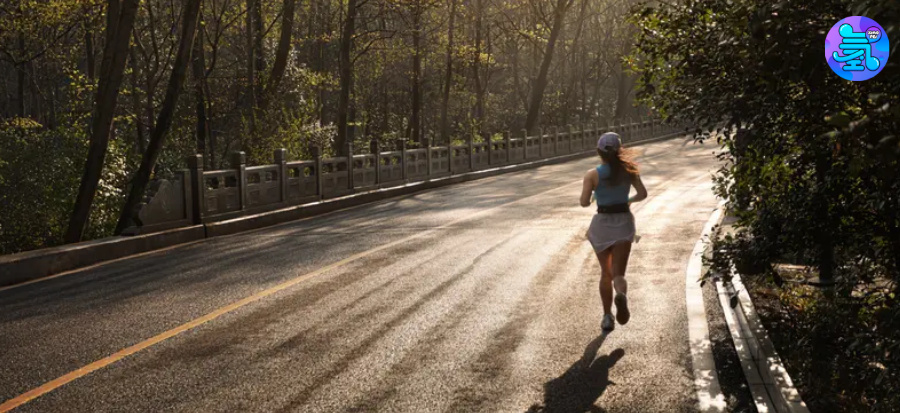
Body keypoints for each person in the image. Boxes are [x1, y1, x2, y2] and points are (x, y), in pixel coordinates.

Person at [580, 132, 647, 331]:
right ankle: (622, 295)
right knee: (619, 274)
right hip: (624, 222)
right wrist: (627, 200)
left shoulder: (592, 174)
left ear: (599, 152)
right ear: (620, 150)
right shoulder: (630, 170)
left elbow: (583, 203)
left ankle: (607, 316)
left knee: (605, 273)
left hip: (602, 224)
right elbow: (642, 194)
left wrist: (594, 195)